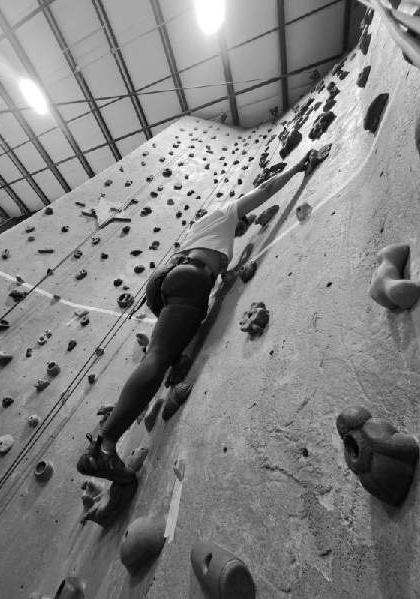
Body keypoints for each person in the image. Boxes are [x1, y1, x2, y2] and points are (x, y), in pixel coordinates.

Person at [76, 148, 325, 484]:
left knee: (162, 354)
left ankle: (111, 433)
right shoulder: (223, 214)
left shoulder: (203, 234)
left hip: (172, 282)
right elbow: (266, 190)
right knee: (157, 358)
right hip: (189, 278)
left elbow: (211, 274)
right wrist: (297, 167)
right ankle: (103, 448)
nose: (243, 226)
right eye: (243, 222)